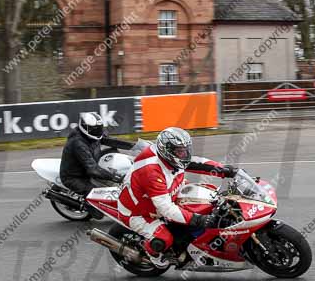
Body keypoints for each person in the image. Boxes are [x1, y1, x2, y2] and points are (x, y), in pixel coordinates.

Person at [117, 126, 238, 266]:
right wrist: (198, 219)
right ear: (167, 151)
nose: (185, 154)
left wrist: (224, 170)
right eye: (180, 152)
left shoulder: (170, 158)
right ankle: (153, 255)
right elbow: (166, 209)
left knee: (207, 199)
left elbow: (195, 162)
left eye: (186, 150)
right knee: (164, 239)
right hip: (139, 212)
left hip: (167, 191)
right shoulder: (152, 172)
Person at [59, 112, 132, 197]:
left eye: (98, 128)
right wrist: (117, 178)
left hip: (88, 165)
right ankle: (91, 209)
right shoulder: (78, 143)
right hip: (75, 177)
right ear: (85, 128)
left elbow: (111, 141)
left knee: (114, 152)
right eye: (95, 129)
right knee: (98, 195)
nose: (97, 131)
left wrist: (134, 146)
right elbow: (93, 169)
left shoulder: (92, 134)